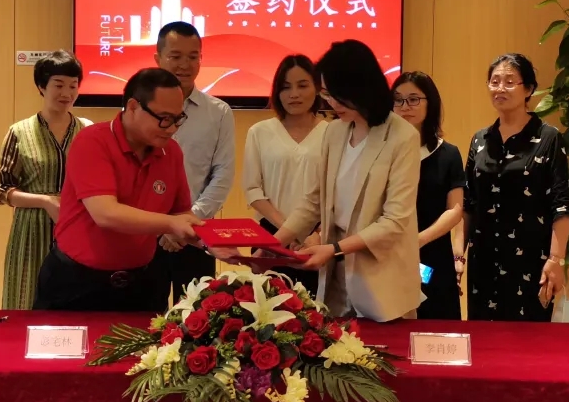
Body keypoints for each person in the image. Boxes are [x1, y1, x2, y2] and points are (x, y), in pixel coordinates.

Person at [241, 39, 423, 322]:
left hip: (381, 276)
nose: (330, 103)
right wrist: (273, 245)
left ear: (360, 88)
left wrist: (334, 249)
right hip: (337, 275)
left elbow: (395, 220)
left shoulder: (402, 136)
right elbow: (314, 201)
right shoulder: (335, 132)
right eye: (326, 94)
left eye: (336, 95)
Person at [32, 67, 203, 312]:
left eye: (178, 119)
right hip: (75, 284)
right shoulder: (93, 141)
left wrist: (211, 241)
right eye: (164, 118)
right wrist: (171, 224)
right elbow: (105, 214)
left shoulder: (171, 152)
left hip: (142, 283)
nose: (172, 128)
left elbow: (180, 212)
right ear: (132, 107)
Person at [463, 53, 569, 322]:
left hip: (531, 261)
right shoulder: (480, 140)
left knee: (528, 341)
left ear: (529, 89)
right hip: (483, 261)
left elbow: (561, 205)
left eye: (510, 82)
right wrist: (458, 258)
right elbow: (468, 204)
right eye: (495, 81)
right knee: (483, 338)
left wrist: (556, 260)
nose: (500, 88)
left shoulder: (548, 138)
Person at [0, 51, 92, 310]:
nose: (66, 93)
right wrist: (46, 201)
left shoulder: (87, 131)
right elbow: (2, 190)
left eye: (73, 86)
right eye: (58, 85)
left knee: (74, 302)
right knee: (25, 299)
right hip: (31, 228)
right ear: (41, 86)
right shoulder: (19, 131)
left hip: (77, 225)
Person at [149, 21, 236, 306]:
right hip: (145, 234)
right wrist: (163, 225)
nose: (184, 65)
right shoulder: (138, 108)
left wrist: (186, 224)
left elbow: (222, 174)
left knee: (197, 318)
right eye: (175, 56)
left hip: (197, 235)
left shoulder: (219, 112)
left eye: (192, 56)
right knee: (143, 319)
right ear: (158, 58)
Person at [242, 55, 327, 294]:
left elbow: (338, 193)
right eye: (286, 87)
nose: (294, 94)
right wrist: (290, 231)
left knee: (315, 309)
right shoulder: (259, 132)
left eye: (302, 85)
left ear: (317, 88)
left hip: (316, 240)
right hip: (269, 235)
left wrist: (315, 234)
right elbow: (252, 189)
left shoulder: (333, 134)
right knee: (268, 308)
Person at [392, 71, 466, 320]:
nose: (405, 107)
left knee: (437, 326)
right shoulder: (383, 153)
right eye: (398, 100)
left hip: (433, 253)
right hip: (389, 254)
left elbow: (455, 210)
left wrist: (417, 240)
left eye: (413, 99)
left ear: (430, 103)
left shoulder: (448, 154)